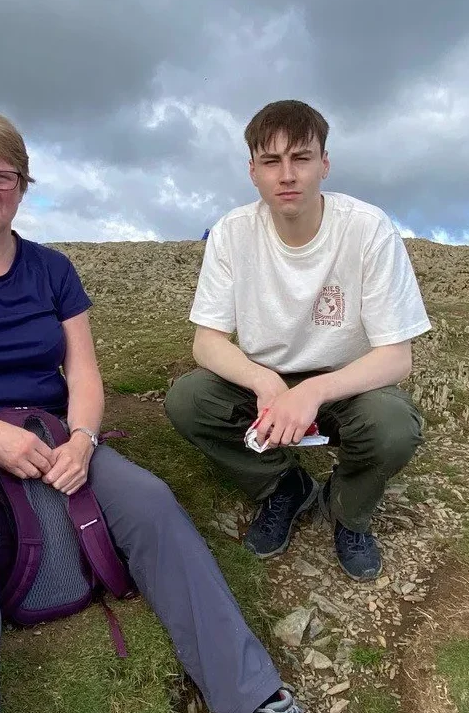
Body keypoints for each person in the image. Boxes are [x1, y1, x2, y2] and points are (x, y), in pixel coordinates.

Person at [0, 111, 353, 713]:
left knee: (147, 499)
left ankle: (260, 707)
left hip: (48, 430)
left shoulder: (52, 271)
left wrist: (85, 439)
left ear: (23, 184)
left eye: (3, 175)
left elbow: (84, 377)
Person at [165, 99, 430, 582]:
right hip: (267, 380)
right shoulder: (231, 233)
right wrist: (265, 382)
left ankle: (348, 511)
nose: (287, 175)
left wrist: (314, 391)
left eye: (301, 158)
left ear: (324, 164)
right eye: (271, 161)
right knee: (188, 400)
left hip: (348, 383)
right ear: (253, 172)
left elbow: (397, 357)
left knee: (393, 427)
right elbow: (207, 342)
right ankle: (284, 486)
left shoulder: (368, 229)